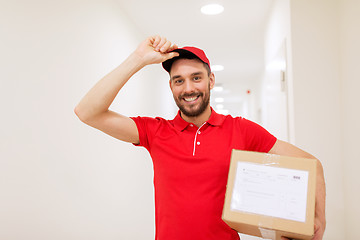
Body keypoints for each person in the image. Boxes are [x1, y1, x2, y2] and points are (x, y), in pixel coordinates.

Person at [74, 36, 326, 240]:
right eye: (178, 81)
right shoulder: (154, 131)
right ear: (171, 87)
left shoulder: (241, 129)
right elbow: (87, 112)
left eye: (196, 77)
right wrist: (137, 59)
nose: (188, 88)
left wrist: (317, 220)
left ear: (211, 80)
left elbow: (310, 166)